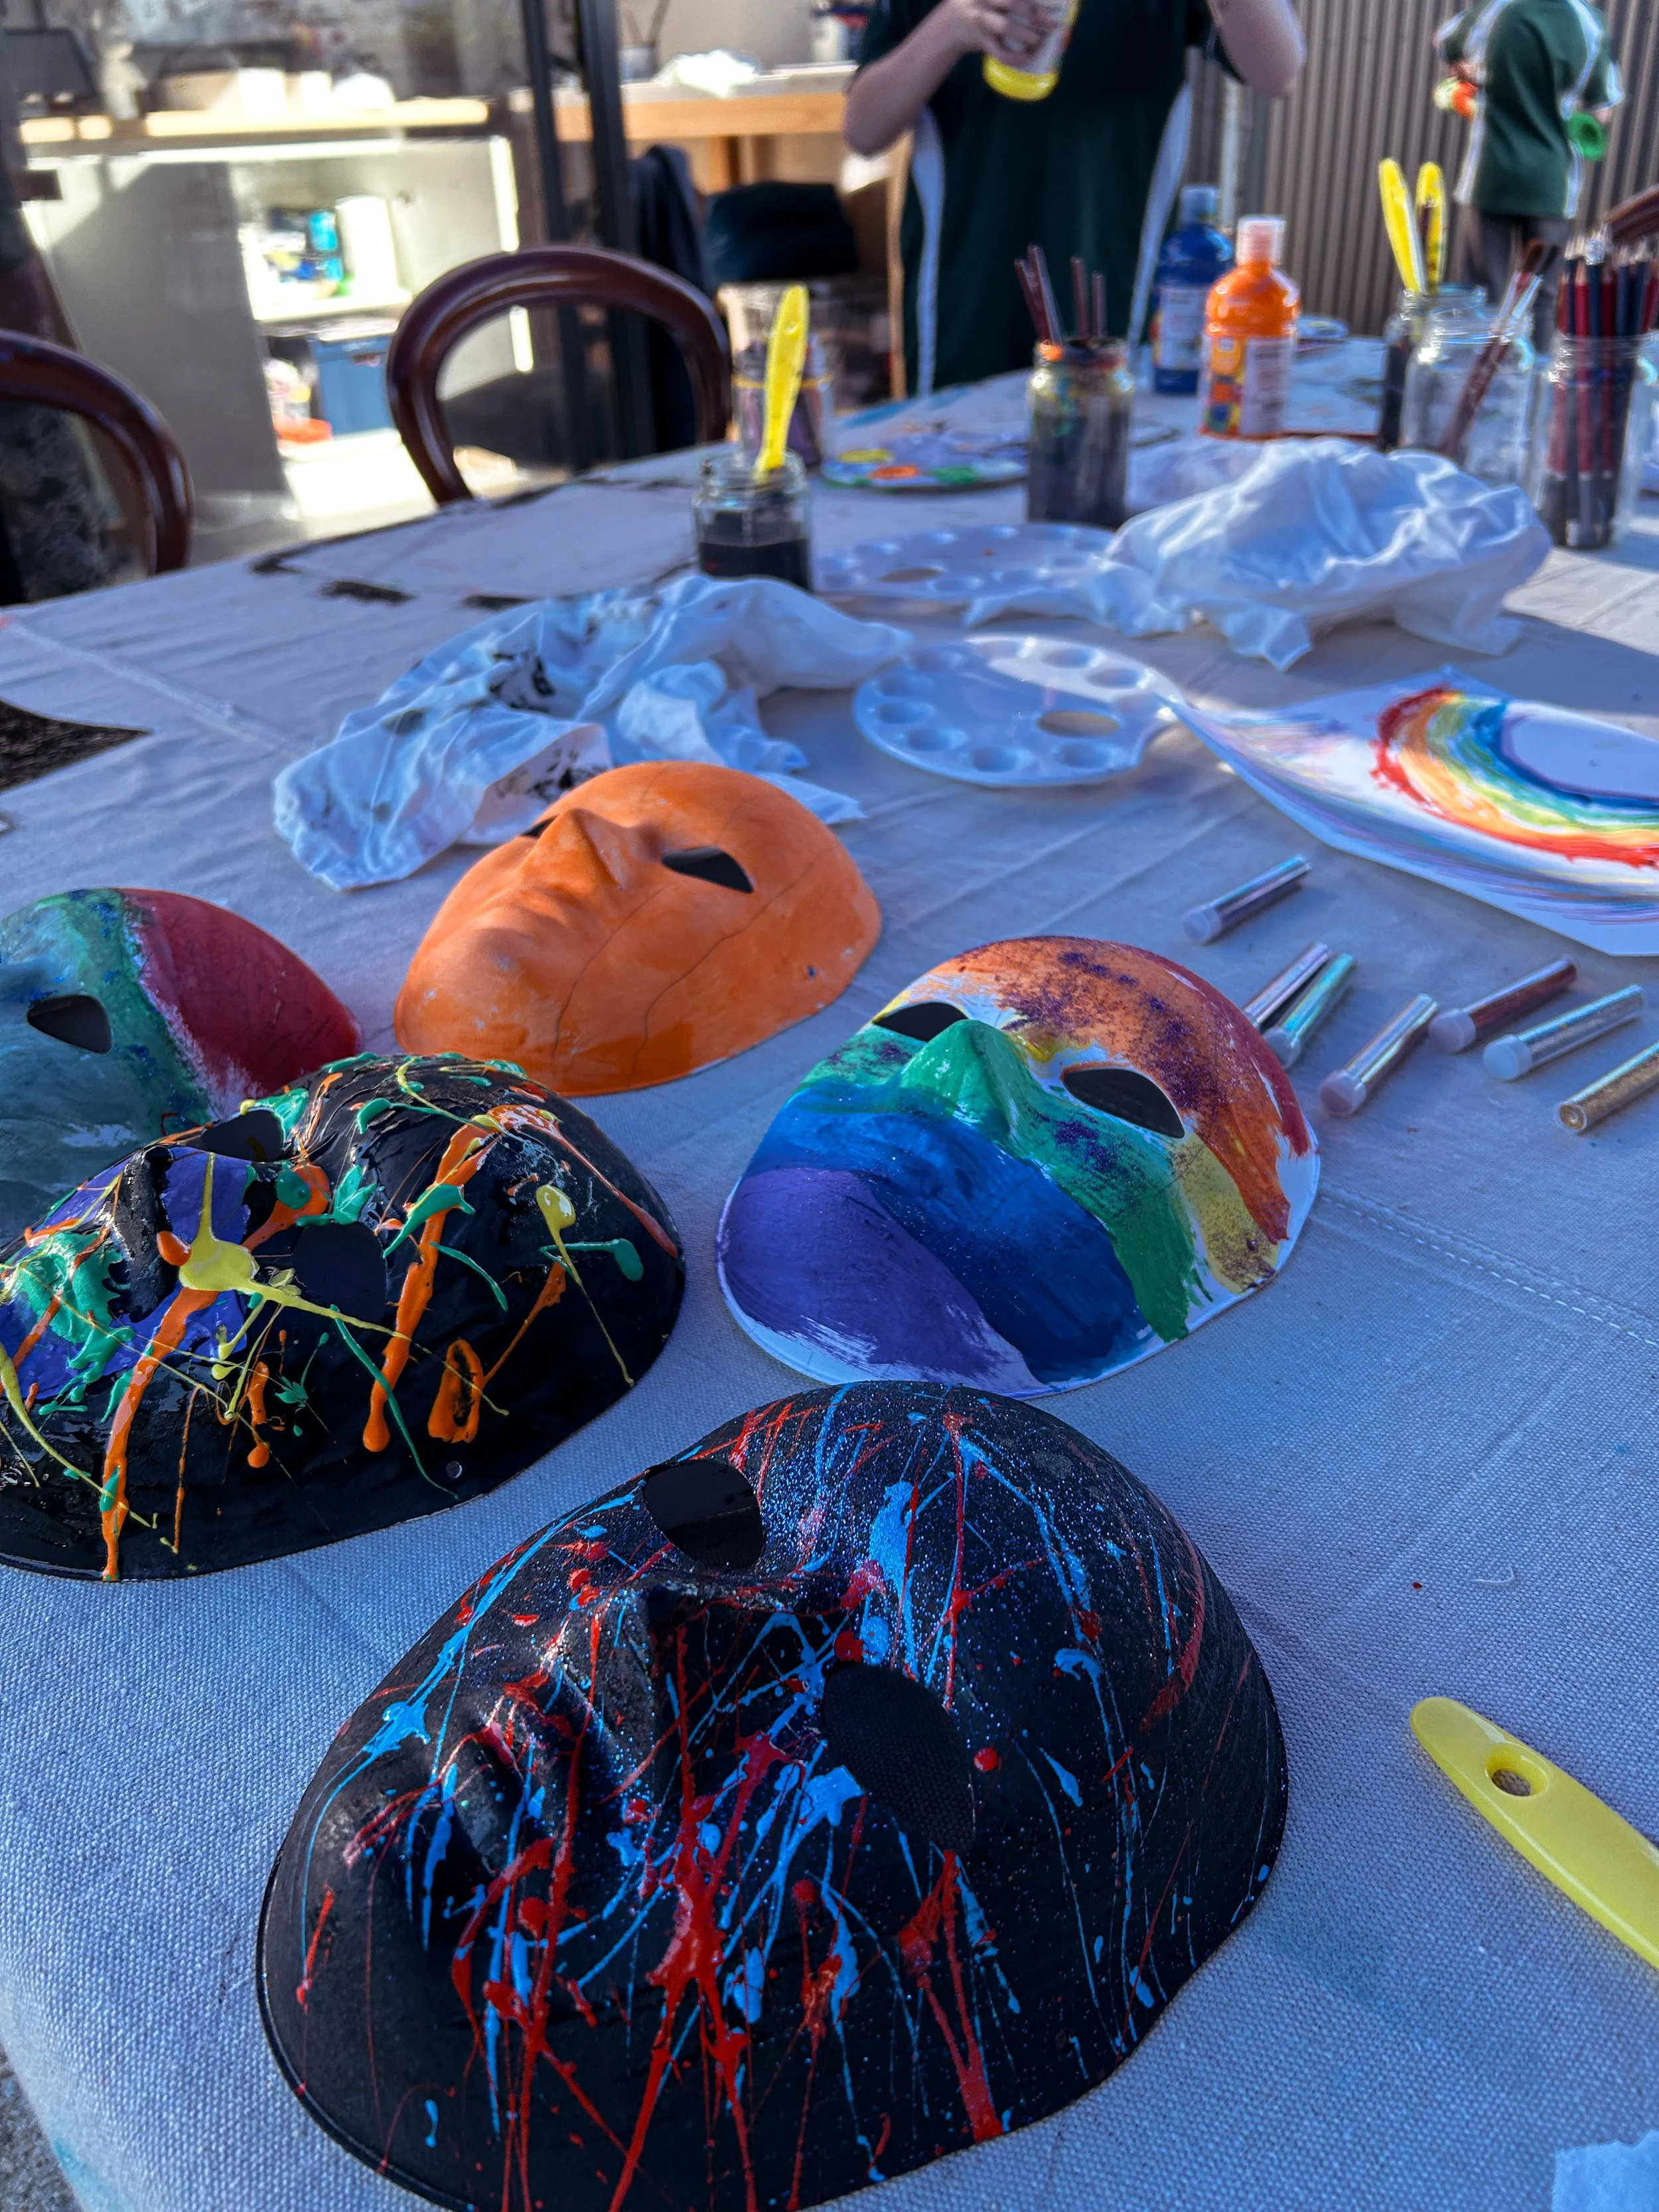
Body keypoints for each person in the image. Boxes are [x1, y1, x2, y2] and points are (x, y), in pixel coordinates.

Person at [843, 0, 1305, 394]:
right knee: (960, 475)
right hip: (965, 300)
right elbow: (863, 131)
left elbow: (1278, 73)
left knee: (1104, 468)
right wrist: (949, 29)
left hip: (1117, 292)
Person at [1437, 0, 1622, 350]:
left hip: (1490, 178)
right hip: (1550, 185)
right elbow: (1602, 111)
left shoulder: (1496, 9)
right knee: (1542, 298)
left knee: (1481, 295)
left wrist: (1466, 73)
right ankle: (1533, 389)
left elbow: (1445, 43)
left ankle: (1477, 391)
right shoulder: (1588, 23)